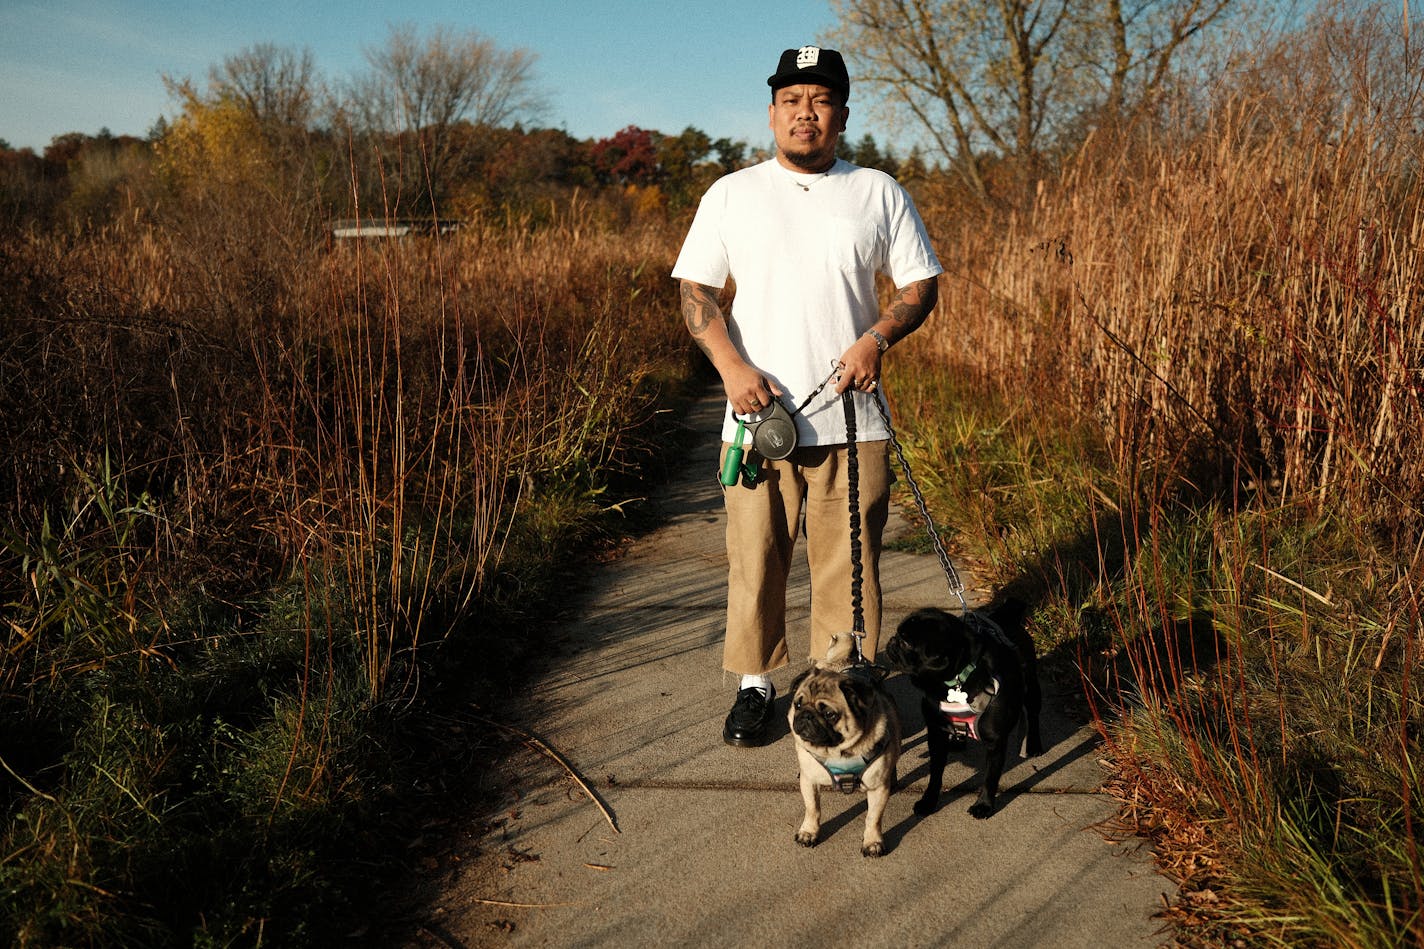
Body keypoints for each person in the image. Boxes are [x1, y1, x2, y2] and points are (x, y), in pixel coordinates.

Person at [672, 45, 943, 747]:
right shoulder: (732, 193)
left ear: (842, 115)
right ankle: (756, 687)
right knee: (756, 560)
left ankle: (843, 690)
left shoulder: (877, 191)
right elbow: (696, 289)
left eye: (820, 100)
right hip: (756, 424)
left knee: (848, 568)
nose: (805, 112)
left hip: (853, 423)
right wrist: (731, 368)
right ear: (771, 113)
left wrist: (876, 339)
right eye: (791, 99)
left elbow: (919, 286)